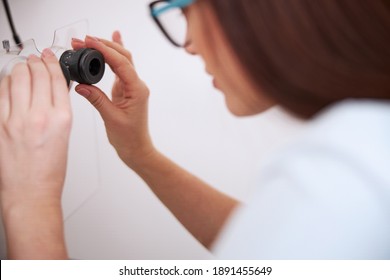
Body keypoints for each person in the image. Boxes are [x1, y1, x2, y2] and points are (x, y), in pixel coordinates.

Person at [0, 0, 389, 259]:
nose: (188, 44)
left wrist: (31, 202)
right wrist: (141, 153)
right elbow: (262, 246)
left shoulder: (348, 177)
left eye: (184, 11)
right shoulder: (369, 139)